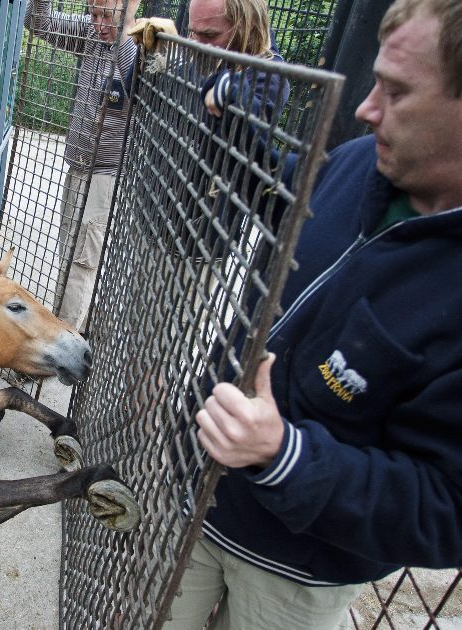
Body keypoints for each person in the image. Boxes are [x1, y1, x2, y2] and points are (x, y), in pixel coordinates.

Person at [168, 0, 462, 627]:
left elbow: (447, 510)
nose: (366, 107)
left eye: (397, 90)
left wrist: (284, 456)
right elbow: (275, 199)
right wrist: (231, 126)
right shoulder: (361, 162)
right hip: (199, 501)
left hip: (296, 574)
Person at [24, 0, 146, 331]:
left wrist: (124, 28)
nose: (98, 23)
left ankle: (61, 337)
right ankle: (76, 325)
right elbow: (39, 24)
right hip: (77, 164)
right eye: (93, 13)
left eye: (107, 15)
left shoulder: (141, 44)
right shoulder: (91, 31)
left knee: (82, 260)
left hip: (107, 173)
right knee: (68, 252)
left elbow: (135, 79)